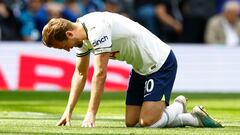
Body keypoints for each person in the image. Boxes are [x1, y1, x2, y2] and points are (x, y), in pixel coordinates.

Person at [42, 11, 222, 128]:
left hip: (160, 63)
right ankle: (179, 110)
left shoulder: (97, 28)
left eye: (63, 46)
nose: (67, 49)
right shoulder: (82, 37)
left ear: (69, 34)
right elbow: (80, 74)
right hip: (140, 69)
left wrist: (91, 113)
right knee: (131, 122)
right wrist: (68, 111)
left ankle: (183, 111)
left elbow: (100, 73)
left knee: (147, 123)